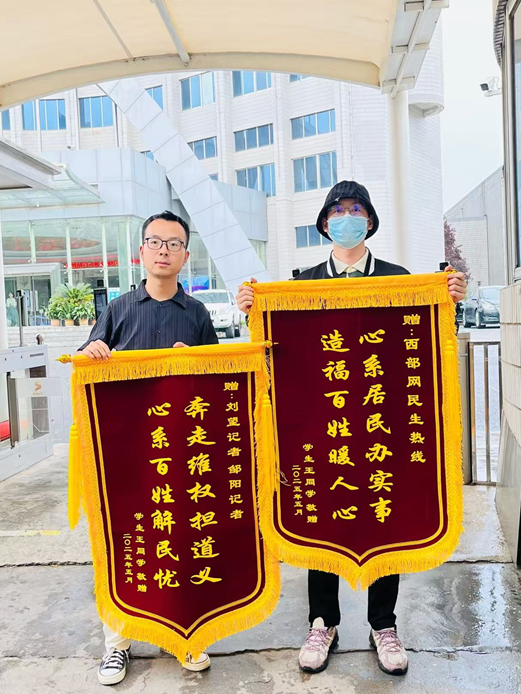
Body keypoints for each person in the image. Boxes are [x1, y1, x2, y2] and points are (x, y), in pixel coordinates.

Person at [237, 180, 466, 678]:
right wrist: (252, 313)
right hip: (324, 431)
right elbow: (275, 358)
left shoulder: (399, 280)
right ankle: (323, 622)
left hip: (382, 426)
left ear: (369, 220)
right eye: (338, 210)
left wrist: (449, 300)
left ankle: (384, 624)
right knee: (321, 518)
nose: (347, 217)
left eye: (356, 209)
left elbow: (427, 347)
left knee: (387, 516)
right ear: (325, 224)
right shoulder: (299, 287)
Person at [79, 211, 218, 685]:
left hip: (180, 453)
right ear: (141, 250)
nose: (163, 250)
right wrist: (92, 353)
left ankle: (183, 635)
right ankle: (116, 645)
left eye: (173, 244)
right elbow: (84, 369)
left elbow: (216, 382)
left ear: (185, 255)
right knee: (125, 544)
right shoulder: (117, 311)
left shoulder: (197, 315)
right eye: (155, 242)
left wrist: (194, 365)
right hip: (126, 454)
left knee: (180, 543)